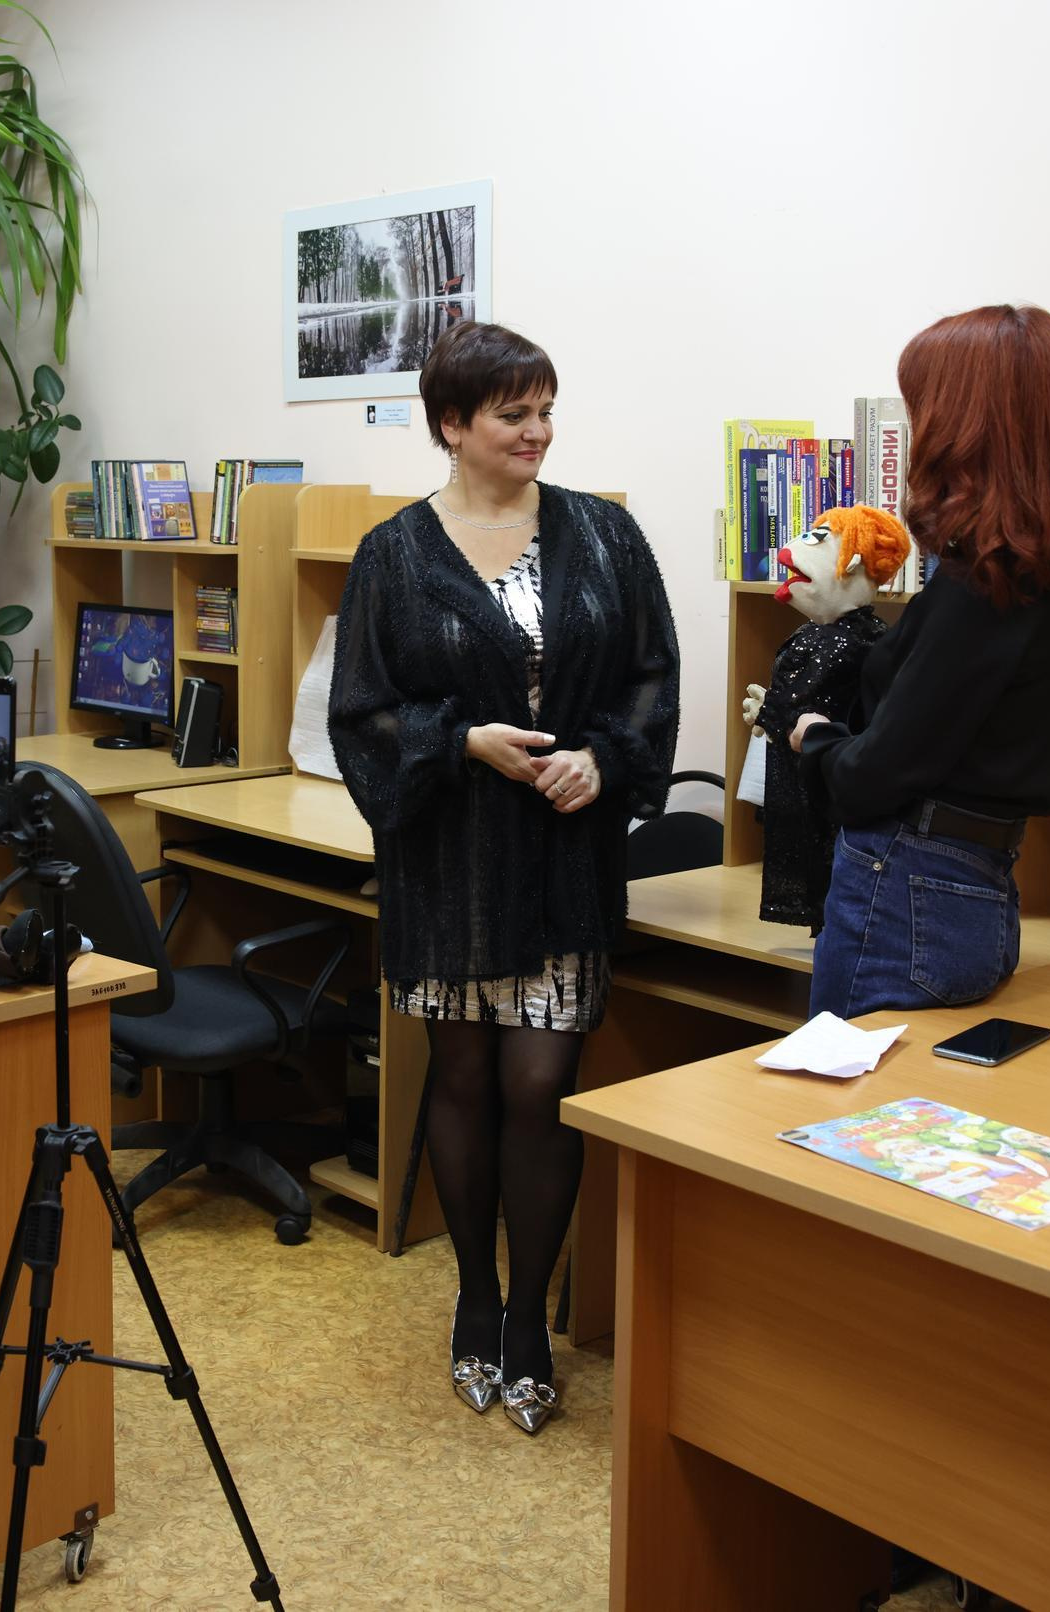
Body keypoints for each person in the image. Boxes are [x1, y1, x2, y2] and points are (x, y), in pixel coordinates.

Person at [328, 320, 680, 1436]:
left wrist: (603, 758)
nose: (537, 432)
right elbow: (362, 714)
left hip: (560, 864)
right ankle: (472, 1300)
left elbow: (649, 678)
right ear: (451, 426)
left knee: (541, 1085)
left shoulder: (605, 538)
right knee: (463, 1079)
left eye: (543, 410)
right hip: (447, 865)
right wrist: (458, 740)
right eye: (511, 415)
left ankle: (530, 1314)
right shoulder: (392, 554)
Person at [792, 304, 1050, 1020]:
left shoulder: (984, 582)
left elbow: (874, 777)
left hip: (904, 880)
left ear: (966, 427)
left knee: (847, 1115)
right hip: (984, 883)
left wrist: (815, 738)